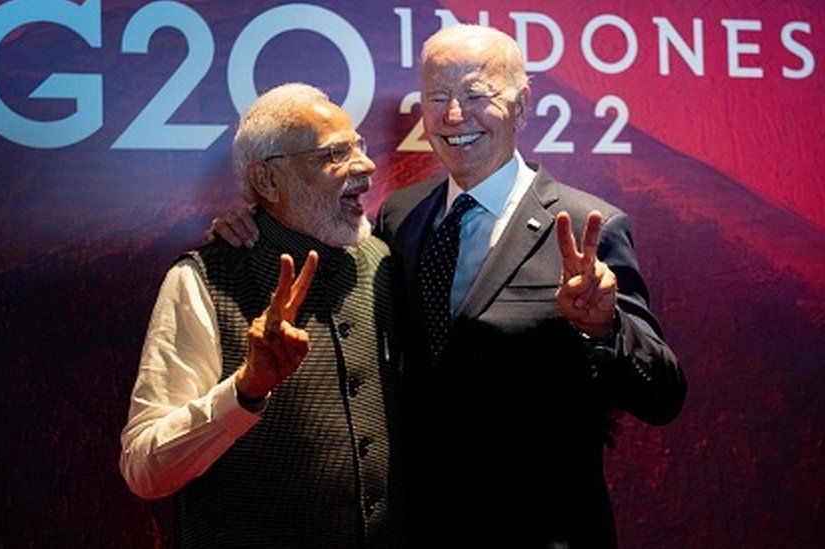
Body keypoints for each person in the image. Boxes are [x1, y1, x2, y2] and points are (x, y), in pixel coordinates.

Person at [213, 25, 686, 548]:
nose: (454, 115)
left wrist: (606, 329)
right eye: (437, 97)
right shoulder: (400, 216)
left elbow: (663, 396)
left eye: (475, 94)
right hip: (422, 529)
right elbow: (319, 244)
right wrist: (255, 223)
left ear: (522, 106)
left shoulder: (586, 225)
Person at [120, 83, 405, 548]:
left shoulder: (381, 262)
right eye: (334, 153)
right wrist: (246, 390)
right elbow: (144, 469)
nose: (366, 164)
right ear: (267, 181)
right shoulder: (203, 281)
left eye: (359, 145)